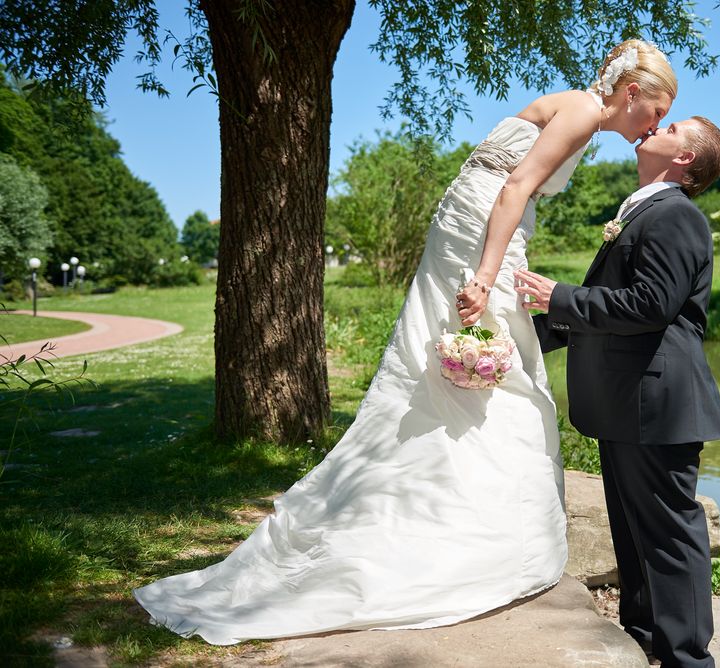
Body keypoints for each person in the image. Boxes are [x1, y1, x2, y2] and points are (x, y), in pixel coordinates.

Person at [133, 40, 677, 645]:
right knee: (501, 366)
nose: (652, 127)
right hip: (483, 231)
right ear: (631, 93)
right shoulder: (582, 113)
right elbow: (513, 188)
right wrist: (485, 276)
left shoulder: (570, 104)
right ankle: (468, 532)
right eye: (656, 113)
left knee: (472, 361)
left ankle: (429, 500)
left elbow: (496, 178)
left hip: (468, 221)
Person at [514, 117, 720, 667]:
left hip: (654, 404)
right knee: (634, 530)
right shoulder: (642, 209)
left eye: (674, 124)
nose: (656, 123)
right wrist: (514, 340)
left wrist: (559, 296)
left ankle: (687, 658)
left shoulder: (676, 214)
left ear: (687, 158)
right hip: (625, 402)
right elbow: (613, 305)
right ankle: (643, 637)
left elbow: (650, 305)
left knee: (668, 535)